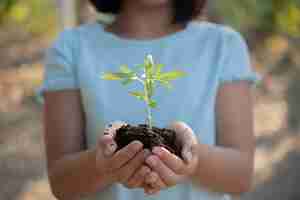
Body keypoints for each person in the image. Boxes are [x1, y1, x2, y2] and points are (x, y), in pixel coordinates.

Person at [38, 0, 260, 199]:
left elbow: (240, 176)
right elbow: (61, 183)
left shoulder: (222, 45)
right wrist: (101, 163)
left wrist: (190, 154)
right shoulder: (71, 48)